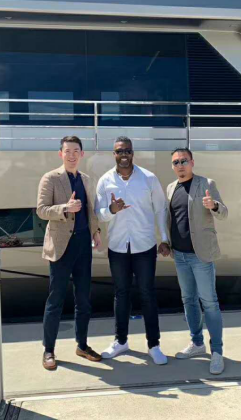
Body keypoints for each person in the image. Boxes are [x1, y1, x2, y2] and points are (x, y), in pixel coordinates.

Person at [95, 136, 170, 365]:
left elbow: (160, 209)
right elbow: (99, 215)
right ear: (114, 154)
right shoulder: (105, 181)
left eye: (127, 150)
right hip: (118, 246)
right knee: (121, 294)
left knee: (147, 294)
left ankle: (154, 345)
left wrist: (164, 238)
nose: (124, 155)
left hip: (144, 245)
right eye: (119, 151)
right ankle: (121, 341)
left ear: (133, 153)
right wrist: (112, 209)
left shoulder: (149, 178)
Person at [36, 136, 103, 370]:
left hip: (83, 245)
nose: (72, 155)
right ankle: (48, 350)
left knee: (84, 299)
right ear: (61, 154)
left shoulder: (86, 179)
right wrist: (65, 208)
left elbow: (91, 210)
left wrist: (95, 231)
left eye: (76, 151)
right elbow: (41, 210)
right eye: (67, 151)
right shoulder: (50, 178)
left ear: (82, 154)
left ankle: (82, 345)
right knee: (55, 300)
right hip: (61, 246)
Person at [166, 148, 228, 375]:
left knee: (209, 302)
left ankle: (217, 352)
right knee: (188, 300)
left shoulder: (206, 184)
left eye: (184, 161)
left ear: (192, 162)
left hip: (200, 255)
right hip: (179, 255)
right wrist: (166, 242)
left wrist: (214, 206)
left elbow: (224, 213)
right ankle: (197, 343)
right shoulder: (171, 188)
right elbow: (171, 219)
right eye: (176, 162)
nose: (180, 165)